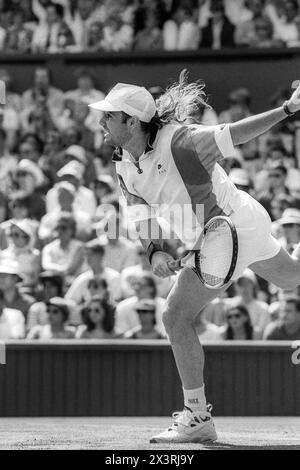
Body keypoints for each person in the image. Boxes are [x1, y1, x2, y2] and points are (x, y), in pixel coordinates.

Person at [89, 77, 300, 443]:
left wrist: (287, 109)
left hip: (229, 227)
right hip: (233, 224)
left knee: (174, 315)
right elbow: (142, 218)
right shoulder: (124, 163)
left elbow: (235, 134)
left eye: (109, 116)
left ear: (132, 123)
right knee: (291, 279)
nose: (101, 123)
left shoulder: (182, 141)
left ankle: (197, 415)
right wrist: (155, 250)